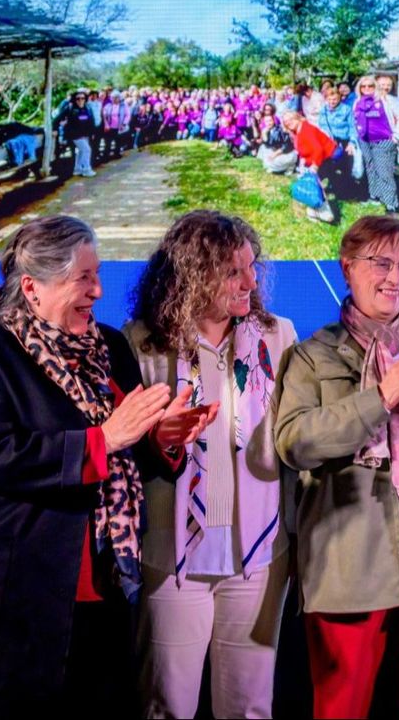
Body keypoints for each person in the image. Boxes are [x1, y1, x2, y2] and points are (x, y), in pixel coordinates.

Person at [0, 216, 212, 717]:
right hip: (12, 587)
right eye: (83, 278)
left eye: (97, 275)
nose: (98, 291)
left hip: (103, 578)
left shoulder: (111, 347)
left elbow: (129, 453)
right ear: (32, 288)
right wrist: (104, 440)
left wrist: (162, 440)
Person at [272, 215, 399, 719]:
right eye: (381, 263)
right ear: (347, 268)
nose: (395, 277)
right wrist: (381, 397)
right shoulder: (313, 355)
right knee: (343, 706)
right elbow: (295, 442)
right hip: (351, 559)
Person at [126, 212, 299, 718]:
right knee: (167, 706)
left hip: (258, 554)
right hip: (173, 556)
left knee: (250, 708)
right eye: (233, 272)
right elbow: (121, 451)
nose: (250, 282)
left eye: (251, 267)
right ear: (191, 275)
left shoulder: (278, 336)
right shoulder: (142, 343)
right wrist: (158, 439)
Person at [352, 75, 399, 212]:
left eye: (370, 85)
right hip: (365, 140)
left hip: (383, 140)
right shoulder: (358, 101)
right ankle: (374, 196)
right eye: (363, 86)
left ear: (375, 86)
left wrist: (397, 136)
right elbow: (355, 119)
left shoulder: (387, 99)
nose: (367, 88)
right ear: (359, 88)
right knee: (371, 168)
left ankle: (391, 204)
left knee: (384, 172)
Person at [54, 90, 96, 177]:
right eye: (78, 99)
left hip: (85, 134)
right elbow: (56, 119)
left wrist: (92, 132)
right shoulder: (70, 109)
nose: (80, 100)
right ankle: (86, 169)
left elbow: (91, 121)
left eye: (82, 98)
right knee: (87, 150)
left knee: (81, 151)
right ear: (74, 99)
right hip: (75, 135)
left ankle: (77, 169)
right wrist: (55, 129)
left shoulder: (87, 108)